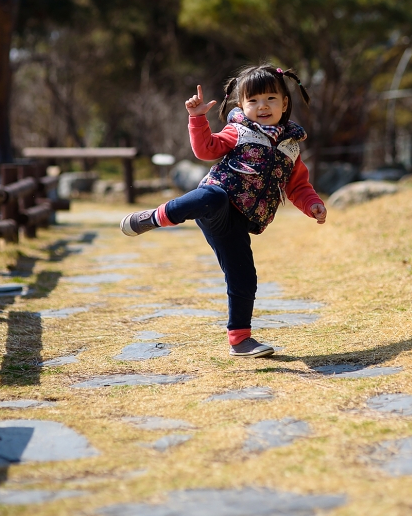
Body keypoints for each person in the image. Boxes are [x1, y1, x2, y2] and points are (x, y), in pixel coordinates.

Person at [120, 64, 327, 358]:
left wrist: (313, 204)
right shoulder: (237, 131)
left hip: (241, 222)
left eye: (270, 98)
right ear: (241, 104)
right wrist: (197, 118)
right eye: (253, 100)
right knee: (214, 195)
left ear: (284, 103)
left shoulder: (291, 148)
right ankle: (155, 217)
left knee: (244, 277)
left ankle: (240, 340)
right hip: (214, 203)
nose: (262, 106)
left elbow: (298, 186)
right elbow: (206, 149)